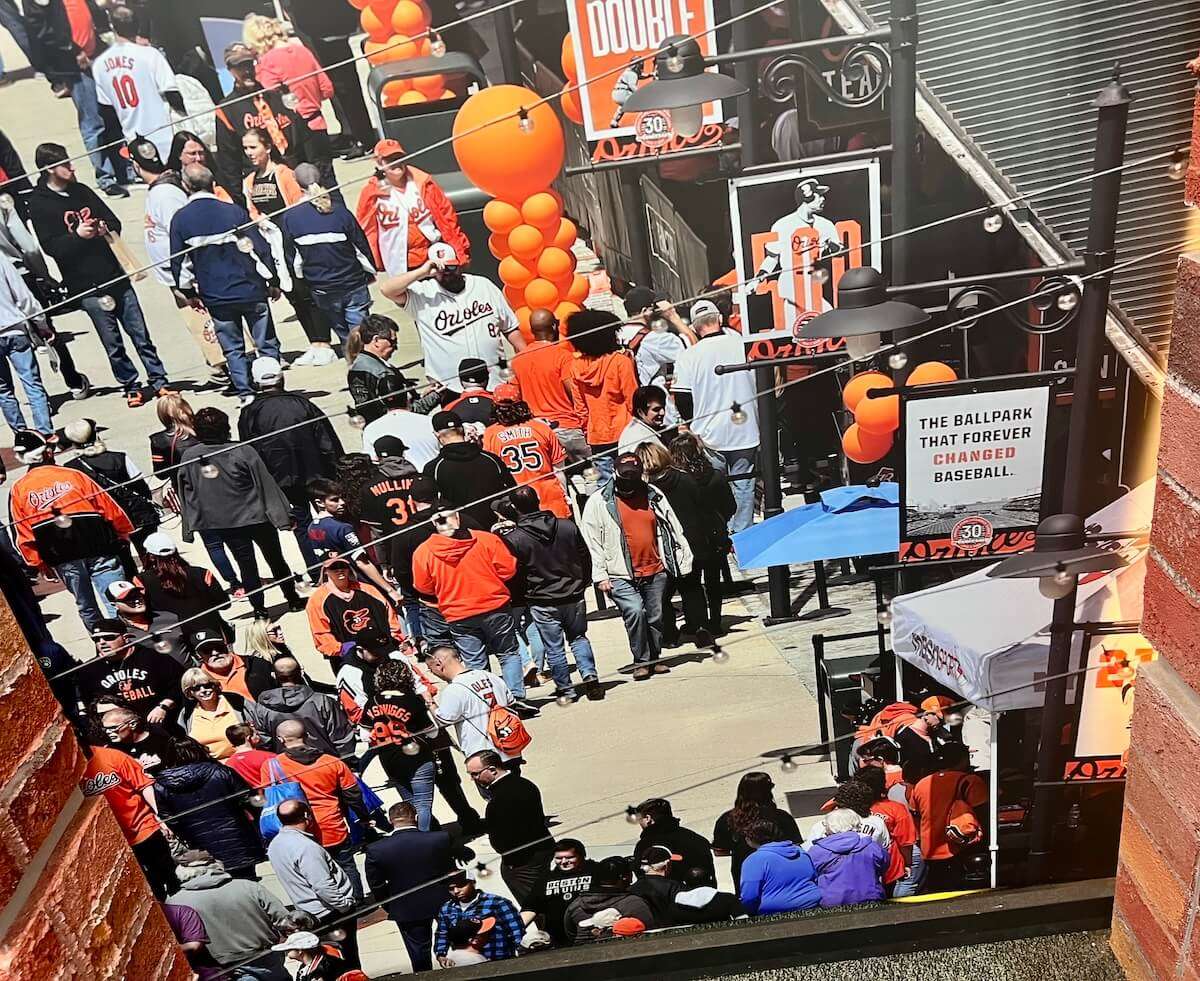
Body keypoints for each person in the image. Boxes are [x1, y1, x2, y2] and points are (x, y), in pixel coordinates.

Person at [28, 144, 171, 406]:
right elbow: (51, 246)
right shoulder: (39, 204)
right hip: (86, 286)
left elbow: (114, 221)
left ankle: (159, 381)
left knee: (141, 335)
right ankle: (131, 386)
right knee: (112, 343)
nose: (72, 168)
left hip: (114, 275)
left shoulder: (82, 192)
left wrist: (104, 227)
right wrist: (77, 237)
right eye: (65, 164)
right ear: (49, 169)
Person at [170, 164, 282, 405]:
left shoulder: (180, 220)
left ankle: (246, 394)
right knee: (266, 343)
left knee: (233, 349)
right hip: (250, 290)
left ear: (185, 186)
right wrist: (272, 280)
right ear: (213, 184)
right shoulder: (233, 212)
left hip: (216, 296)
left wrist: (189, 293)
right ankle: (273, 386)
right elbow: (259, 248)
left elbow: (180, 264)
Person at [177, 406, 304, 618]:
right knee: (275, 558)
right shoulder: (243, 450)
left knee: (246, 566)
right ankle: (292, 599)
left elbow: (186, 491)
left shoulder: (190, 456)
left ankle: (260, 610)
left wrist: (191, 524)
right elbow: (266, 485)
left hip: (224, 523)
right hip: (256, 518)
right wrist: (282, 515)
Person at [580, 452, 693, 680]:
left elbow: (673, 527)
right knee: (635, 612)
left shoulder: (654, 495)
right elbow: (592, 542)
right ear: (615, 473)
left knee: (655, 616)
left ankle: (655, 657)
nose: (628, 481)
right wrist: (600, 575)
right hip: (619, 572)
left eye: (633, 476)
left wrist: (682, 560)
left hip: (655, 568)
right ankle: (641, 660)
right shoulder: (599, 502)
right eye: (625, 476)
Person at [6, 431, 133, 628]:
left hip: (63, 558)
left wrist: (39, 563)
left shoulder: (19, 489)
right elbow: (110, 508)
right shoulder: (74, 475)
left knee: (86, 606)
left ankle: (105, 648)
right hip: (99, 547)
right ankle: (129, 642)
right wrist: (123, 534)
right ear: (48, 452)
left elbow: (23, 534)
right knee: (117, 598)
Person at [127, 138, 229, 384]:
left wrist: (186, 280)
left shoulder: (166, 194)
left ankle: (230, 369)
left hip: (188, 279)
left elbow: (184, 237)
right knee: (203, 329)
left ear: (134, 164)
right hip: (178, 278)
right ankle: (221, 366)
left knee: (212, 328)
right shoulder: (161, 190)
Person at [240, 355, 344, 575]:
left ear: (256, 382)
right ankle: (342, 563)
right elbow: (327, 442)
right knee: (333, 518)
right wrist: (337, 470)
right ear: (281, 378)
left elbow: (250, 453)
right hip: (317, 474)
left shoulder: (249, 413)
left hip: (281, 480)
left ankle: (317, 572)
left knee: (302, 526)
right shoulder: (303, 404)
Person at [412, 507, 530, 701]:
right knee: (507, 653)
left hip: (458, 613)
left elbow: (423, 587)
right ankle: (515, 697)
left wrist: (446, 587)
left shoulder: (423, 552)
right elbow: (508, 569)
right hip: (494, 606)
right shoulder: (486, 539)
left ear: (434, 524)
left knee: (475, 661)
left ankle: (489, 702)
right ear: (457, 519)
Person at [241, 126, 334, 365]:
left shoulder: (283, 174)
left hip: (292, 240)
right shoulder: (249, 181)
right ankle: (313, 343)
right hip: (273, 243)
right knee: (292, 293)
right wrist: (258, 220)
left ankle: (324, 342)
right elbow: (251, 209)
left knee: (306, 289)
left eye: (254, 147)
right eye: (246, 148)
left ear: (268, 147)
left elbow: (299, 204)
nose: (249, 153)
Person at [497, 485, 598, 702]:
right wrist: (583, 581)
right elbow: (584, 556)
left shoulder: (515, 538)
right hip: (572, 593)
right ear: (538, 500)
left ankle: (566, 688)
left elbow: (515, 573)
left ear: (514, 508)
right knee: (578, 637)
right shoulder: (566, 526)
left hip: (542, 599)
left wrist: (521, 596)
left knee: (555, 647)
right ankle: (590, 676)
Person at [381, 242, 526, 392]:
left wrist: (526, 357)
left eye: (451, 267)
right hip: (450, 388)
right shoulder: (423, 293)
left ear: (459, 264)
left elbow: (510, 328)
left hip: (495, 381)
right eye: (440, 269)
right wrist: (422, 272)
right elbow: (386, 290)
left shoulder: (483, 285)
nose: (447, 273)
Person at [24, 0, 130, 196]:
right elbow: (42, 30)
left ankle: (126, 169)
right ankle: (105, 177)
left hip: (96, 54)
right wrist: (72, 49)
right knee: (92, 122)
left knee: (112, 114)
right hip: (75, 64)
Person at [671, 299, 760, 533]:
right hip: (746, 427)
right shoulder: (743, 344)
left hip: (708, 432)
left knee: (713, 485)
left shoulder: (689, 356)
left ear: (693, 327)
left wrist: (691, 425)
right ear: (719, 319)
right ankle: (743, 533)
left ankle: (723, 531)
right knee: (743, 484)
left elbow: (682, 396)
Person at [637, 441, 731, 649]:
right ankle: (699, 628)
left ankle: (670, 635)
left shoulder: (646, 490)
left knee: (664, 592)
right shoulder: (685, 479)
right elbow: (703, 510)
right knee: (692, 587)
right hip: (693, 541)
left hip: (664, 545)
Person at [281, 163, 376, 345]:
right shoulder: (340, 212)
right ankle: (366, 362)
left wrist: (303, 279)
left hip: (322, 287)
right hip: (352, 283)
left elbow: (294, 260)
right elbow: (360, 246)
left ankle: (354, 363)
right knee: (361, 333)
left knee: (345, 336)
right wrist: (370, 271)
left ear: (297, 185)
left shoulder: (290, 217)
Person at [213, 42, 313, 209]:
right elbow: (229, 160)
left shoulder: (276, 94)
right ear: (230, 69)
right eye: (239, 66)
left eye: (248, 64)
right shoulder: (227, 109)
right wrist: (241, 201)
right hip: (262, 182)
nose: (246, 71)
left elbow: (303, 135)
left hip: (294, 171)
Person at [243, 14, 337, 188]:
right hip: (318, 124)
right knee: (328, 181)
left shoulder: (267, 61)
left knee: (302, 188)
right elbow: (327, 89)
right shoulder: (303, 50)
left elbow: (269, 97)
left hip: (293, 132)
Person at [267, 799, 362, 970]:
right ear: (306, 816)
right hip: (331, 913)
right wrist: (344, 906)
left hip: (310, 913)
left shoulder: (275, 845)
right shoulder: (306, 847)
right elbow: (322, 885)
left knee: (326, 962)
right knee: (347, 962)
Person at [169, 849, 293, 980]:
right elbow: (285, 920)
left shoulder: (175, 902)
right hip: (265, 959)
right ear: (216, 865)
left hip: (219, 968)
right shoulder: (249, 887)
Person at [153, 737, 265, 878]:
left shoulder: (161, 786)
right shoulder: (221, 771)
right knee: (248, 884)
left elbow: (171, 820)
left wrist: (189, 839)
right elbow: (250, 800)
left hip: (201, 844)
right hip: (238, 838)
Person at [80, 741, 180, 900]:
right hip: (112, 841)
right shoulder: (71, 773)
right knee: (149, 890)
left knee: (170, 877)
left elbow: (144, 785)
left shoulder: (112, 756)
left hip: (144, 827)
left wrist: (160, 815)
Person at [357, 139, 470, 277]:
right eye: (389, 159)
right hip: (400, 264)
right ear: (379, 162)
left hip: (433, 255)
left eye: (399, 158)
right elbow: (366, 230)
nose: (396, 162)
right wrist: (373, 261)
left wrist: (460, 250)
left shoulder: (423, 183)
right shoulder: (371, 193)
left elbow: (447, 218)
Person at [364, 800, 454, 972]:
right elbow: (451, 870)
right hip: (444, 901)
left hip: (406, 907)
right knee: (457, 946)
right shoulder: (439, 838)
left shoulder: (377, 850)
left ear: (391, 821)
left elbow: (376, 884)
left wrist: (390, 905)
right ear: (417, 818)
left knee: (419, 955)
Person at [466, 750, 554, 908]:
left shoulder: (500, 799)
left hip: (523, 863)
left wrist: (511, 861)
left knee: (536, 907)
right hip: (542, 849)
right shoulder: (525, 784)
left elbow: (507, 837)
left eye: (475, 774)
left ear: (492, 770)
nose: (472, 779)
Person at [359, 658, 439, 831]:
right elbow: (433, 732)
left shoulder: (373, 701)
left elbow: (365, 735)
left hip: (389, 758)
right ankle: (423, 843)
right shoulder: (413, 700)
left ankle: (419, 837)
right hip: (417, 757)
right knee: (423, 804)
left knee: (410, 803)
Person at [91, 5, 181, 159]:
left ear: (113, 26)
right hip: (165, 135)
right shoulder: (150, 54)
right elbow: (172, 93)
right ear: (137, 25)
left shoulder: (99, 64)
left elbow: (106, 110)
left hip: (134, 140)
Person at [61, 417, 159, 558]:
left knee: (123, 563)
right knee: (151, 556)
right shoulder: (119, 457)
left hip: (105, 522)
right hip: (137, 516)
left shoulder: (71, 469)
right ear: (96, 435)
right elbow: (141, 488)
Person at [670, 432, 735, 635]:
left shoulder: (678, 481)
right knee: (713, 581)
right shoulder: (716, 475)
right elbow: (730, 506)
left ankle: (695, 621)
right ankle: (715, 620)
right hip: (715, 534)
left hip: (689, 536)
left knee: (690, 582)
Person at [566, 310, 638, 484]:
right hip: (626, 432)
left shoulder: (576, 366)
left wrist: (587, 431)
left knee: (606, 486)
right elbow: (633, 400)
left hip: (597, 435)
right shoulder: (621, 362)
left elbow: (581, 408)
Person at [511, 308, 588, 462]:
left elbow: (515, 397)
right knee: (592, 476)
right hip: (567, 428)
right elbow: (575, 393)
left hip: (537, 431)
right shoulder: (563, 357)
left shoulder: (518, 360)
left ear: (532, 331)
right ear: (554, 327)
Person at [908, 742, 987, 891]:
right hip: (962, 847)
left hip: (930, 849)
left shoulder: (921, 784)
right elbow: (982, 813)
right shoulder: (970, 781)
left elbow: (915, 816)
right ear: (963, 759)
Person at [78, 618, 186, 723]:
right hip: (122, 728)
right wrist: (100, 707)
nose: (102, 642)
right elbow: (88, 701)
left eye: (109, 637)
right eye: (96, 639)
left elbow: (181, 682)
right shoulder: (89, 670)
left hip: (162, 718)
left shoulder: (152, 658)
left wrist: (164, 706)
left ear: (125, 638)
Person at [306, 478, 400, 599]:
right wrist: (389, 590)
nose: (342, 503)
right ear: (319, 503)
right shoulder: (342, 528)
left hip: (337, 586)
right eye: (335, 500)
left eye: (342, 498)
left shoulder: (312, 528)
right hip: (361, 584)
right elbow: (362, 563)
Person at [427, 645, 521, 765]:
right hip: (510, 747)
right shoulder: (490, 676)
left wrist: (429, 701)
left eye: (430, 668)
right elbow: (511, 702)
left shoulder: (454, 689)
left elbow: (444, 720)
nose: (432, 673)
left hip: (483, 758)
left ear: (439, 663)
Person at [423, 411, 517, 528]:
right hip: (497, 529)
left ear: (436, 434)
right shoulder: (491, 459)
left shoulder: (433, 468)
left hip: (462, 534)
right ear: (462, 429)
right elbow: (512, 491)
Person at [247, 659, 356, 758]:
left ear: (273, 676)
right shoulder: (322, 701)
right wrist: (346, 761)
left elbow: (264, 742)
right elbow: (341, 736)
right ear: (301, 673)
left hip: (290, 768)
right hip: (326, 762)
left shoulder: (262, 708)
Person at [306, 556, 405, 664]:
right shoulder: (317, 600)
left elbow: (389, 614)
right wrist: (342, 649)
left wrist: (394, 638)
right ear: (325, 571)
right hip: (347, 657)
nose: (340, 570)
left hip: (383, 650)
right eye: (334, 567)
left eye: (343, 566)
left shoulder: (368, 589)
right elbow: (320, 633)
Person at [712, 772, 804, 888]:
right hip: (780, 873)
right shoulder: (782, 817)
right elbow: (796, 846)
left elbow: (719, 851)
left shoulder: (728, 819)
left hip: (744, 874)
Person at [483, 398, 571, 518]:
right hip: (550, 497)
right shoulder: (541, 427)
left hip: (518, 502)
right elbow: (559, 469)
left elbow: (492, 472)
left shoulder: (490, 434)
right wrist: (565, 495)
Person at [0, 251, 53, 438]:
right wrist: (41, 323)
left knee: (3, 391)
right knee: (32, 383)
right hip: (14, 329)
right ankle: (45, 433)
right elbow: (23, 296)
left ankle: (21, 435)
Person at [855, 764, 922, 897]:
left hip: (861, 865)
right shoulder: (896, 809)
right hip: (892, 865)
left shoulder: (850, 810)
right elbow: (905, 842)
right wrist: (907, 864)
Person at [434, 869, 524, 965]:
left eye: (460, 886)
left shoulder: (497, 902)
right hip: (466, 962)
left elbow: (516, 931)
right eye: (451, 888)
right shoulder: (447, 908)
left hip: (499, 960)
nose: (456, 891)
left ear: (473, 883)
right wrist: (441, 955)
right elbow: (442, 934)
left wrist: (520, 953)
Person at [807, 808, 889, 906]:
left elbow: (810, 876)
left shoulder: (818, 851)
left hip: (833, 902)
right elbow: (884, 865)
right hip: (871, 898)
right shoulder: (872, 847)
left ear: (830, 827)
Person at [563, 857, 654, 945]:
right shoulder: (634, 904)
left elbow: (570, 935)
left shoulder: (575, 906)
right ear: (625, 877)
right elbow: (649, 932)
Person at [737, 820, 821, 915]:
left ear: (749, 839)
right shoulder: (800, 852)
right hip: (812, 907)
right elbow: (815, 878)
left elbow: (749, 897)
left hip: (775, 915)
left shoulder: (754, 860)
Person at [618, 286, 696, 387]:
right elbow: (694, 349)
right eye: (654, 308)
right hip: (653, 398)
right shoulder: (655, 338)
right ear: (645, 311)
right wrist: (673, 316)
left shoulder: (617, 334)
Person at [524, 839, 596, 947]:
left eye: (569, 857)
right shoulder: (545, 879)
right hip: (558, 940)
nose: (564, 862)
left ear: (582, 856)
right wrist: (515, 929)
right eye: (558, 858)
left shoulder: (596, 872)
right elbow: (530, 907)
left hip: (591, 935)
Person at [633, 798, 716, 888]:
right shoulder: (696, 839)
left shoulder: (645, 844)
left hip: (662, 898)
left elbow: (641, 876)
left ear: (648, 818)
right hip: (700, 896)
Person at [360, 374, 439, 468]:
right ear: (407, 395)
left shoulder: (370, 430)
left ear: (381, 400)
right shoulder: (430, 422)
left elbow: (373, 462)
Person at [347, 314, 404, 424]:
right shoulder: (384, 373)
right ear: (376, 340)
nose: (396, 347)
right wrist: (437, 394)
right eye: (392, 342)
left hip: (372, 429)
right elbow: (403, 413)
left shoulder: (355, 368)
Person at [180, 666, 246, 758]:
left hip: (241, 761)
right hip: (209, 767)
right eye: (196, 688)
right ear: (190, 692)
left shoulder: (236, 703)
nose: (203, 690)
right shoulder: (187, 713)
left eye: (207, 685)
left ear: (214, 685)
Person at [98, 704, 174, 774]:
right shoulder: (111, 750)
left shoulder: (162, 740)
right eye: (105, 729)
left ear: (133, 724)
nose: (108, 732)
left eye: (113, 728)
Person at [271, 931, 351, 980]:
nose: (286, 951)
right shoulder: (304, 968)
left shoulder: (321, 971)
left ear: (300, 951)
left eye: (289, 949)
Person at [617, 385, 669, 455]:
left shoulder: (647, 428)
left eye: (663, 407)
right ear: (640, 412)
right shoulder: (638, 437)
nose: (663, 413)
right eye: (656, 410)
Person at [224, 721, 278, 785]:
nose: (259, 737)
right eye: (256, 734)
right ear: (249, 738)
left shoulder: (228, 764)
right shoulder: (269, 757)